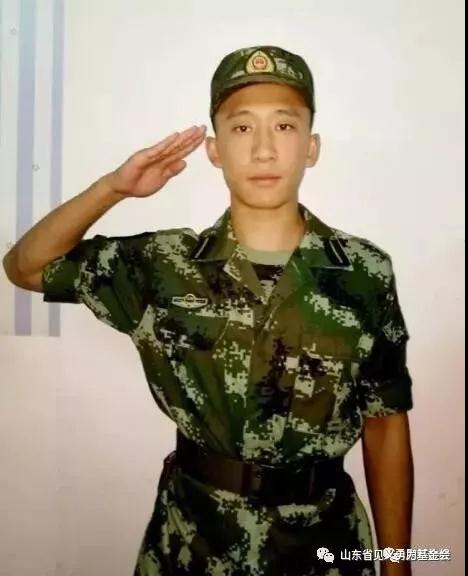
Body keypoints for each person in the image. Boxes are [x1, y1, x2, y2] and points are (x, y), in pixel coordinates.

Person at [3, 45, 414, 576]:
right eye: (242, 128)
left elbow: (386, 424)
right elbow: (25, 266)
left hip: (324, 549)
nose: (263, 150)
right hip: (192, 546)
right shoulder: (163, 266)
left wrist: (399, 565)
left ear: (311, 146)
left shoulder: (363, 272)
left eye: (284, 126)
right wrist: (113, 188)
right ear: (215, 150)